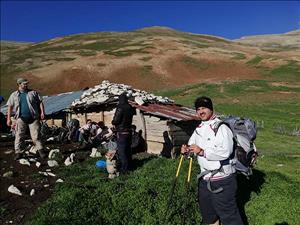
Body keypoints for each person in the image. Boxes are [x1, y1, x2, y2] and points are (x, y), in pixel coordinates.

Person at [181, 96, 243, 225]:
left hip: (223, 180)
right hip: (205, 180)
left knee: (229, 217)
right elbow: (193, 147)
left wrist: (203, 152)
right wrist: (187, 151)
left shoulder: (221, 127)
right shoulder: (199, 129)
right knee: (208, 215)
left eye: (204, 108)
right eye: (198, 109)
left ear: (211, 109)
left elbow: (226, 151)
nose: (201, 111)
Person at [6, 78, 46, 160]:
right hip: (21, 118)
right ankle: (18, 153)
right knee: (19, 135)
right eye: (24, 84)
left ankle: (41, 151)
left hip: (33, 117)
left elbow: (40, 102)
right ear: (19, 84)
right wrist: (8, 119)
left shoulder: (33, 93)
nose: (26, 85)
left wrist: (42, 112)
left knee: (36, 136)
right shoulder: (14, 95)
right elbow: (10, 106)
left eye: (26, 84)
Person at [111, 92, 135, 174]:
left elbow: (116, 120)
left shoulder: (120, 107)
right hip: (129, 131)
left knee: (122, 151)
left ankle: (124, 169)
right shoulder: (130, 107)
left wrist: (113, 121)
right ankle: (130, 166)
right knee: (128, 150)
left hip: (121, 132)